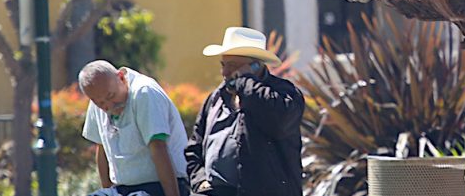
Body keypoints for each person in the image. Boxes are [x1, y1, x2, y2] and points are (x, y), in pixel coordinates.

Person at [185, 27, 305, 196]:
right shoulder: (215, 99)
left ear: (256, 66)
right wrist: (200, 182)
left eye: (232, 66)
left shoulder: (284, 93)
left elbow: (279, 122)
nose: (224, 72)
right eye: (223, 65)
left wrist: (246, 82)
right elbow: (194, 149)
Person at [80, 60, 191, 196]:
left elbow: (159, 148)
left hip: (161, 186)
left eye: (111, 96)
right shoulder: (98, 101)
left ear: (121, 77)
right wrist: (107, 191)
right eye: (100, 103)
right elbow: (101, 148)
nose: (108, 106)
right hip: (123, 189)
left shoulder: (144, 93)